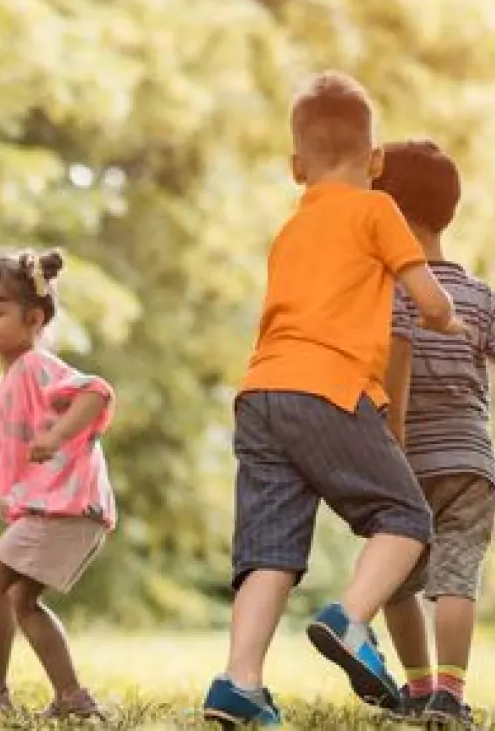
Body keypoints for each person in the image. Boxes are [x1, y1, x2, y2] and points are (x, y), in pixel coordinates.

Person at [200, 72, 466, 727]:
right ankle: (350, 620)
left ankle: (240, 682)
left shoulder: (292, 229)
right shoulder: (377, 209)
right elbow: (428, 297)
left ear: (297, 168)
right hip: (330, 388)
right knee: (406, 520)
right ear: (377, 162)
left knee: (268, 550)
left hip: (261, 393)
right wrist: (448, 319)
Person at [0, 249, 114, 720]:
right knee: (19, 599)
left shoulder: (37, 366)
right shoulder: (3, 386)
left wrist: (56, 434)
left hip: (65, 507)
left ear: (34, 318)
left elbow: (95, 393)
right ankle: (72, 698)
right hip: (66, 511)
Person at [377, 139, 494, 728]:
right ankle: (450, 693)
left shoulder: (383, 293)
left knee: (395, 579)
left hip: (403, 460)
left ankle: (418, 688)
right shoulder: (478, 295)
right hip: (471, 461)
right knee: (457, 575)